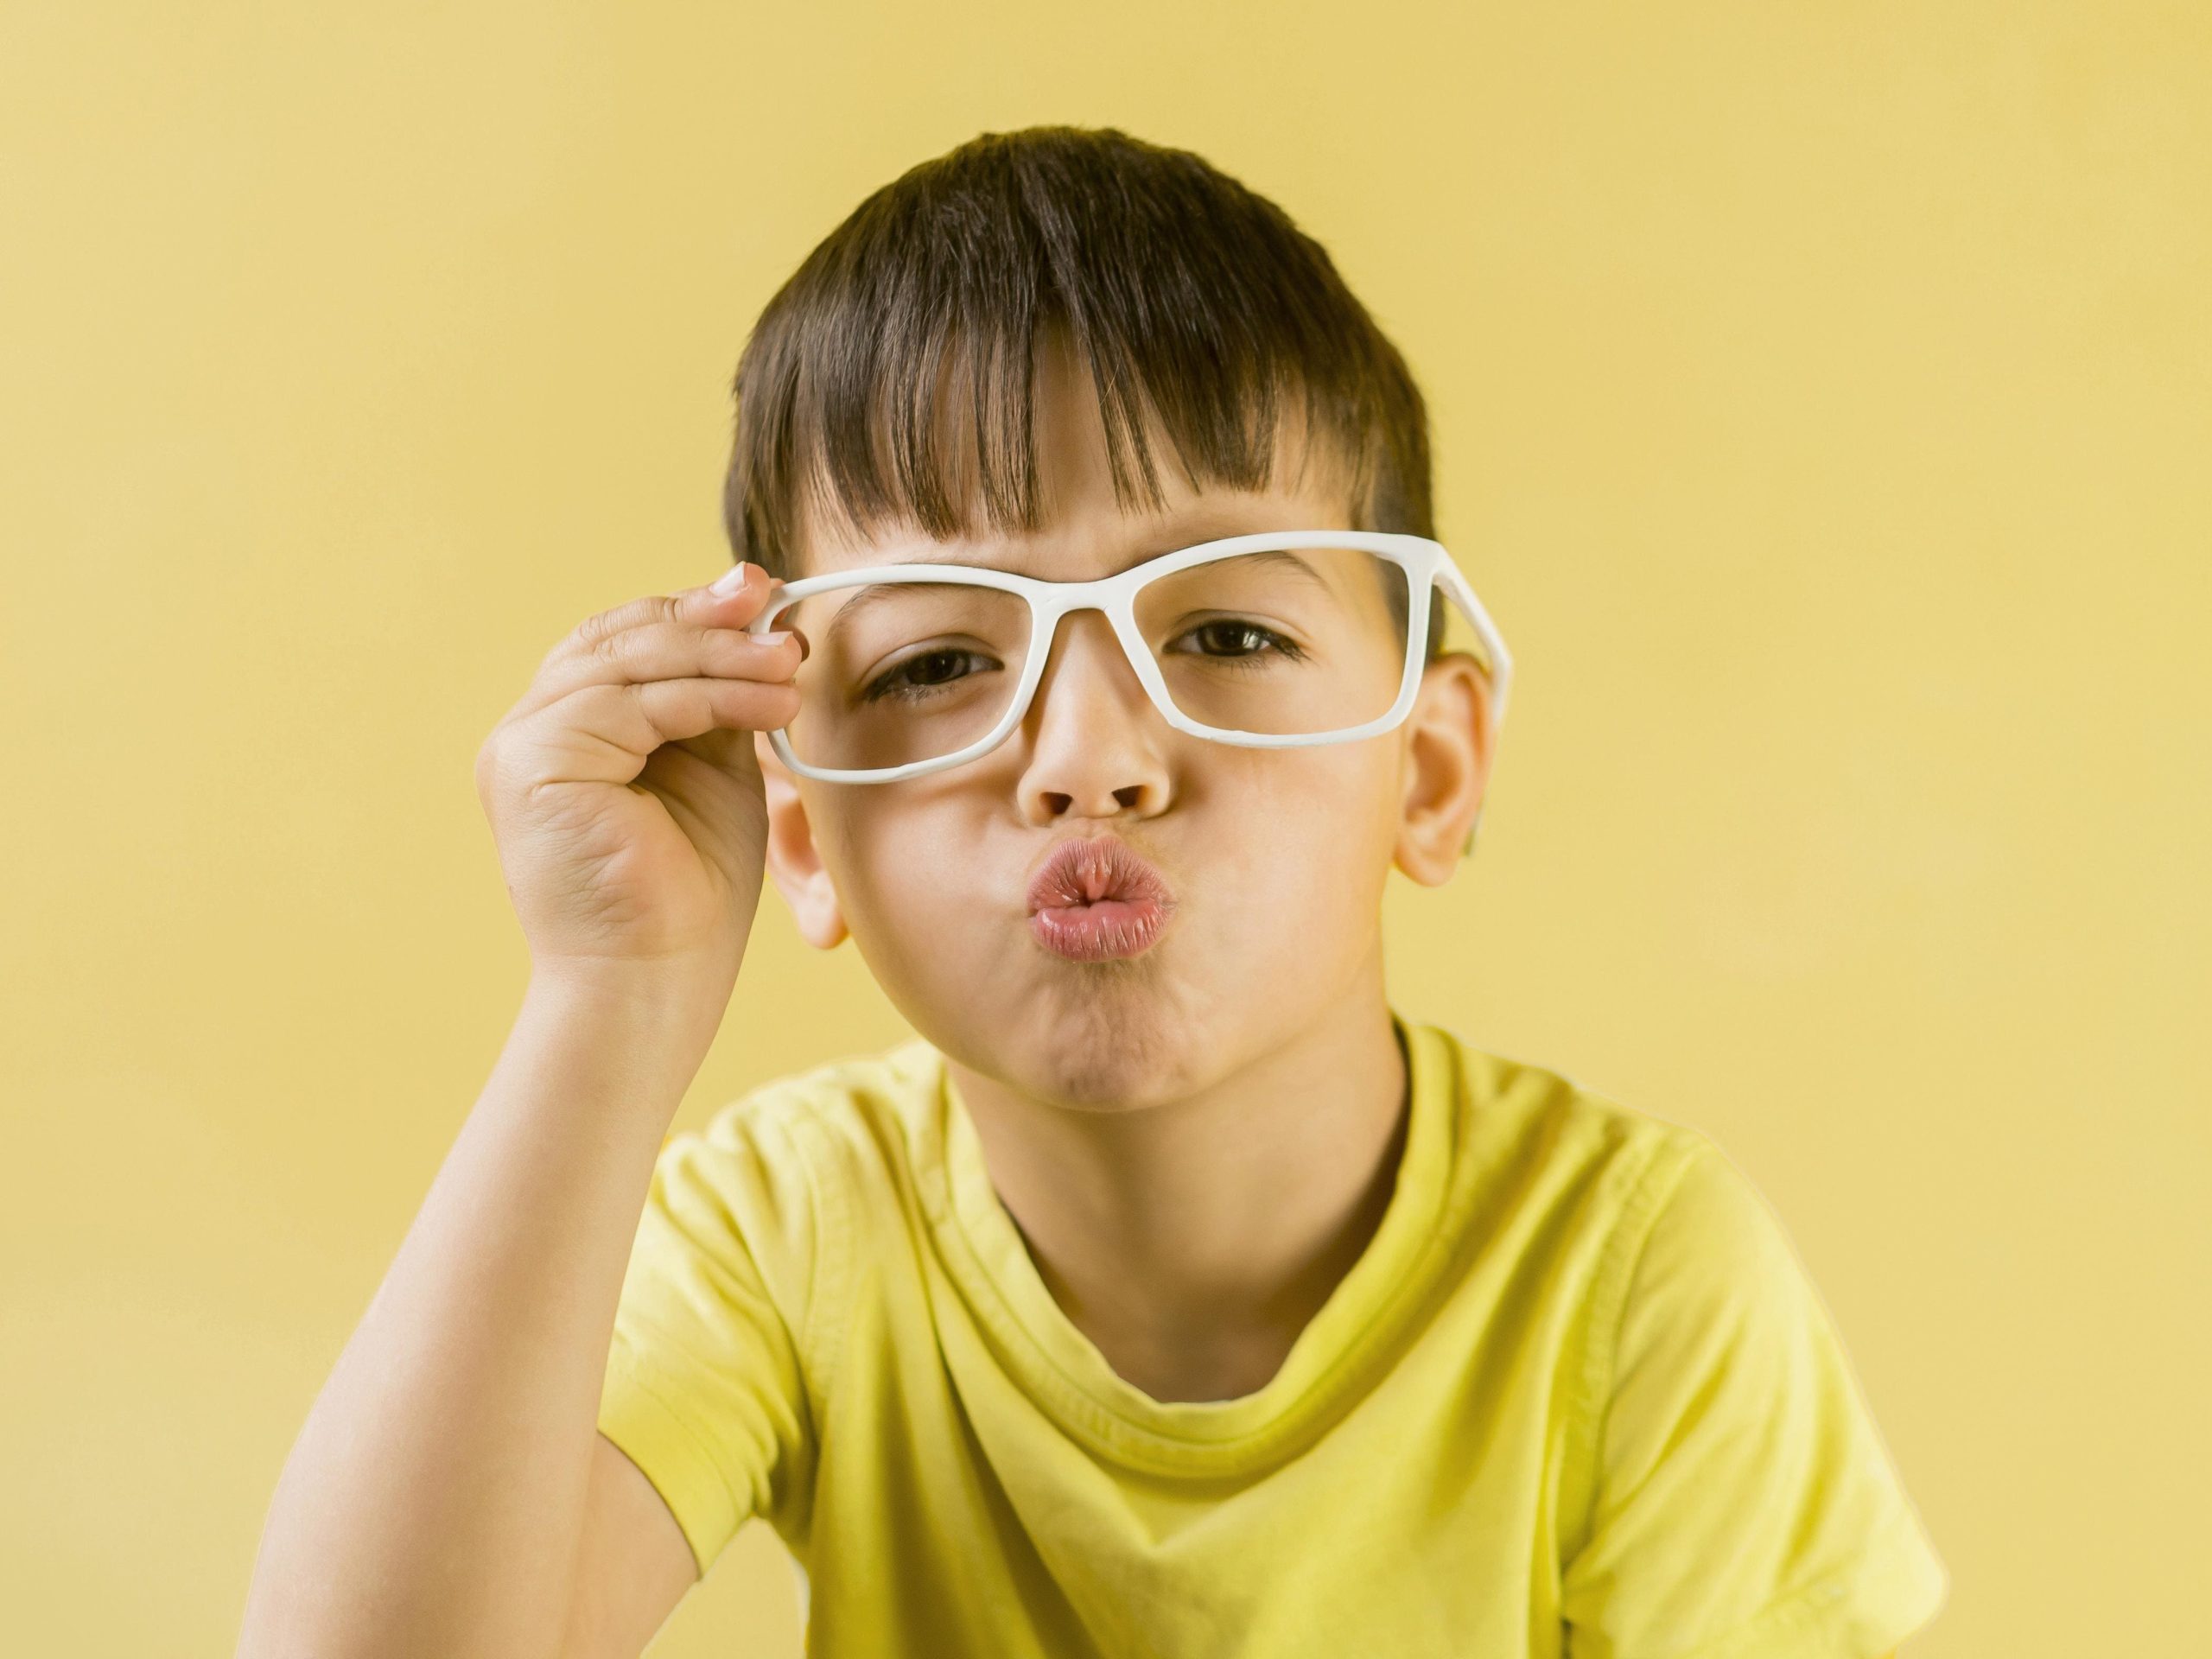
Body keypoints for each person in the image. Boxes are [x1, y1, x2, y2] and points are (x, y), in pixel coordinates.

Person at [238, 126, 1948, 1658]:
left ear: (1425, 769)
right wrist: (606, 999)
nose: (1084, 758)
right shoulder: (796, 1228)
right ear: (809, 840)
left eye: (1222, 631)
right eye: (931, 664)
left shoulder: (1630, 1276)